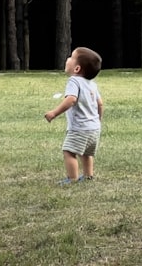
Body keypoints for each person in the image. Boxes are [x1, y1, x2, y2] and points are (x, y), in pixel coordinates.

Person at [44, 46, 104, 185]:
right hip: (94, 128)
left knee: (69, 151)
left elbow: (71, 100)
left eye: (71, 57)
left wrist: (54, 113)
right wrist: (98, 120)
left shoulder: (74, 81)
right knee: (87, 153)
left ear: (77, 69)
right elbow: (100, 104)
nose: (67, 58)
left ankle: (72, 178)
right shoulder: (92, 84)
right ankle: (88, 175)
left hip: (79, 128)